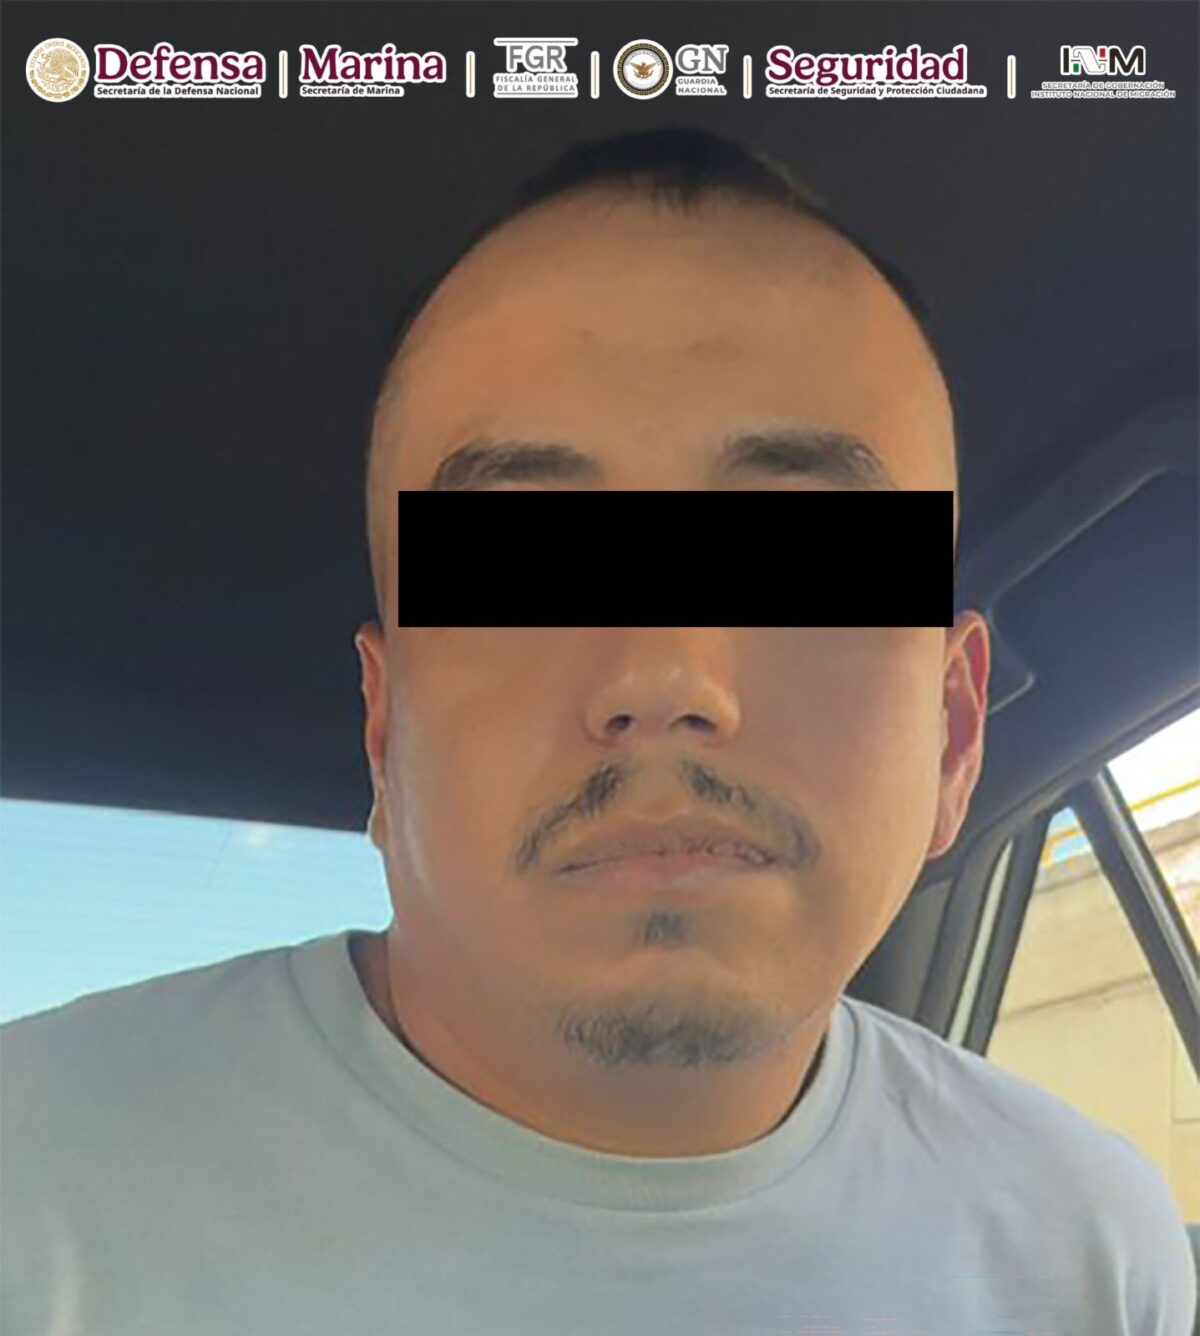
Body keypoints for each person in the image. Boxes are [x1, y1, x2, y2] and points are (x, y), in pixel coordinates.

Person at [2, 128, 1194, 1335]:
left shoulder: (1090, 1254)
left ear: (952, 731)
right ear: (384, 730)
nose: (664, 673)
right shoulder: (32, 1190)